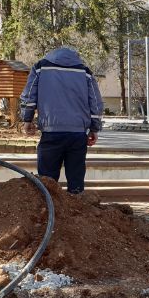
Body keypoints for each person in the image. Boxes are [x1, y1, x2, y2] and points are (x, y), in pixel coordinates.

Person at [18, 47, 104, 194]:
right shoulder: (85, 72)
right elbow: (95, 102)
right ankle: (77, 204)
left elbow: (29, 95)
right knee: (76, 181)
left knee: (47, 182)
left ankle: (49, 206)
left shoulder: (40, 68)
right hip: (77, 134)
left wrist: (27, 119)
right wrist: (94, 128)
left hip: (51, 132)